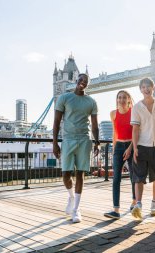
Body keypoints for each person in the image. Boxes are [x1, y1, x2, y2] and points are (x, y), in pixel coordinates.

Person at [53, 73, 100, 223]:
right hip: (68, 140)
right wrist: (54, 143)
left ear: (88, 84)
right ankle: (72, 197)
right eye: (80, 79)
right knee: (66, 175)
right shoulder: (64, 98)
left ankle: (76, 209)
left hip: (84, 140)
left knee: (80, 174)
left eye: (86, 81)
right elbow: (56, 122)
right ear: (75, 80)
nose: (82, 82)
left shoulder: (91, 102)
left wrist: (97, 142)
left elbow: (94, 125)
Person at [130, 77, 155, 220]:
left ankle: (154, 204)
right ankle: (138, 205)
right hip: (141, 145)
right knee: (139, 177)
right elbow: (135, 129)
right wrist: (134, 148)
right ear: (140, 90)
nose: (146, 89)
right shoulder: (136, 107)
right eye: (143, 87)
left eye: (148, 87)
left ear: (154, 88)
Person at [104, 90, 136, 219]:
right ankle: (116, 210)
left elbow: (136, 133)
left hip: (131, 146)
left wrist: (129, 149)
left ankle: (134, 202)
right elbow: (115, 133)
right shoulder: (113, 114)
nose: (121, 100)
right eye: (119, 98)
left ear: (129, 99)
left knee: (134, 176)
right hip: (118, 147)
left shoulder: (134, 112)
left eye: (124, 98)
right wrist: (113, 147)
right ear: (117, 99)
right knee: (116, 178)